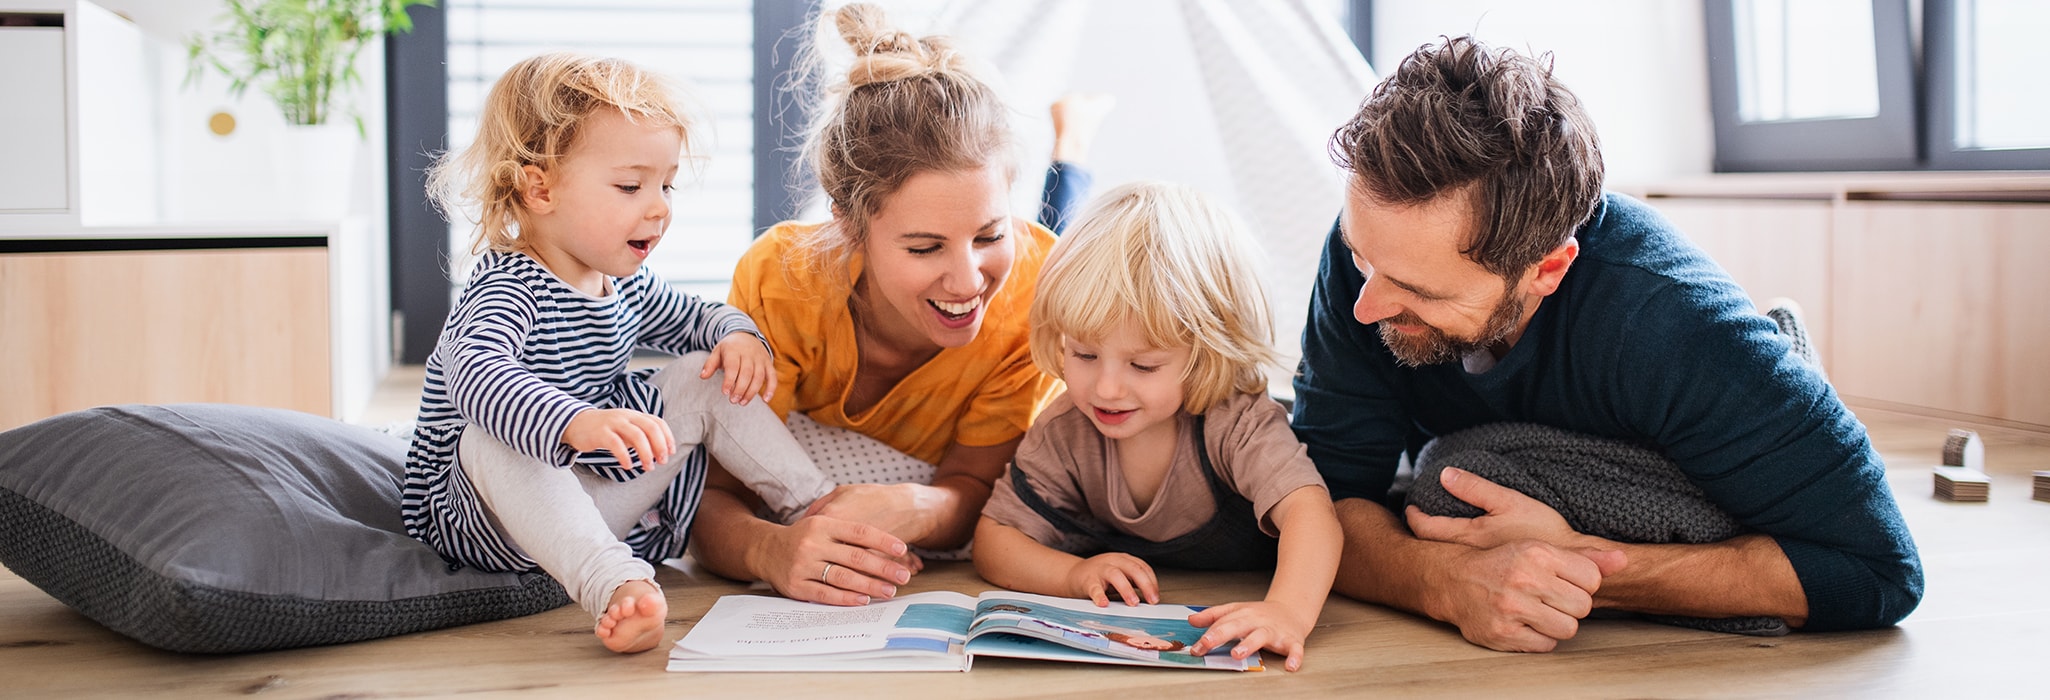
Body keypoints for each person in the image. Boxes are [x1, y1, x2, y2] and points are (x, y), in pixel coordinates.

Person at [1290, 36, 1923, 653]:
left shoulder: (1674, 326)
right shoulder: (1376, 256)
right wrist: (1440, 583)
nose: (1364, 306)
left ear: (1547, 268)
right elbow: (1321, 502)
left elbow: (1880, 571)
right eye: (1360, 255)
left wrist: (1586, 569)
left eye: (1416, 290)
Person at [402, 53, 834, 654]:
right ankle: (616, 583)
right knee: (486, 435)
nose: (658, 207)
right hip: (489, 518)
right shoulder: (507, 287)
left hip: (592, 498)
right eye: (631, 186)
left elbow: (698, 317)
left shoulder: (621, 282)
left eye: (666, 184)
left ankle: (818, 506)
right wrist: (574, 422)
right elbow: (474, 376)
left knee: (699, 374)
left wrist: (739, 335)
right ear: (540, 187)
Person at [688, 3, 1061, 607]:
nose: (969, 281)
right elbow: (713, 495)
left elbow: (975, 487)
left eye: (991, 235)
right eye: (924, 247)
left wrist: (920, 504)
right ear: (849, 226)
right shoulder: (783, 281)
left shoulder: (1035, 291)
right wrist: (770, 551)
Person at [974, 182, 1342, 672]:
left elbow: (1313, 515)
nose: (1105, 389)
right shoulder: (1065, 428)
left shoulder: (1235, 420)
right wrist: (1073, 574)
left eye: (1143, 366)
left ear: (1206, 355)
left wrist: (1287, 611)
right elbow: (995, 539)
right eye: (1084, 354)